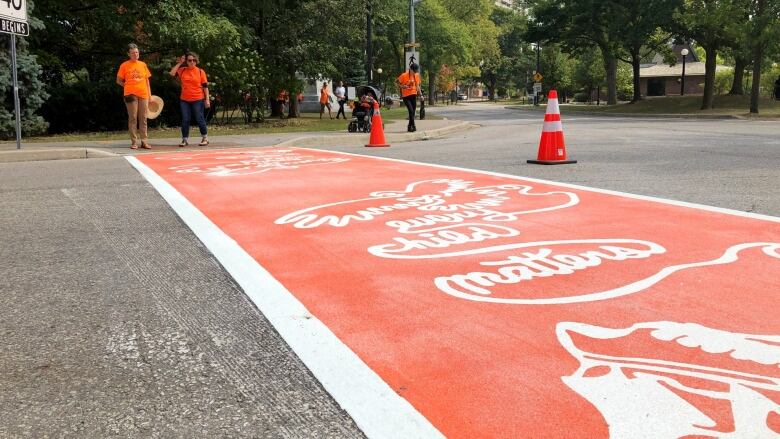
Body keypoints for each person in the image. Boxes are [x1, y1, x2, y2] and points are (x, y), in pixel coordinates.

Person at [169, 52, 210, 147]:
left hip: (198, 98)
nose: (192, 62)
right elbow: (172, 73)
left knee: (199, 118)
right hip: (185, 100)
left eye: (194, 60)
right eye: (190, 60)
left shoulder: (200, 71)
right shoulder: (182, 70)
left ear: (196, 61)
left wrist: (207, 99)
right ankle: (184, 140)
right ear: (186, 61)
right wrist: (180, 63)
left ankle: (205, 138)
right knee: (185, 119)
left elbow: (205, 87)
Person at [116, 43, 152, 149]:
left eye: (136, 52)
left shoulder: (143, 64)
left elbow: (147, 81)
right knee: (133, 118)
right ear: (129, 54)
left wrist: (150, 95)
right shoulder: (124, 65)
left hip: (144, 94)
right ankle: (134, 142)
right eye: (132, 53)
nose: (135, 54)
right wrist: (127, 85)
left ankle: (144, 141)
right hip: (130, 94)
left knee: (143, 118)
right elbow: (118, 80)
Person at [396, 62, 422, 132]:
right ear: (410, 69)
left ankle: (409, 126)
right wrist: (402, 86)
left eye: (416, 71)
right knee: (411, 110)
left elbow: (417, 86)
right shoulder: (404, 75)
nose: (415, 72)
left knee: (413, 112)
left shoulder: (416, 75)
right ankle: (413, 125)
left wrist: (421, 95)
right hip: (406, 96)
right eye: (414, 71)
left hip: (413, 95)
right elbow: (397, 82)